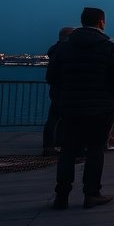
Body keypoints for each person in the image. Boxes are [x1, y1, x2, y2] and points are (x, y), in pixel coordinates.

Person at [47, 7, 114, 209]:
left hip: (69, 106)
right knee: (95, 150)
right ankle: (92, 194)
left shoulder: (64, 48)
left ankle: (61, 196)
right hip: (100, 108)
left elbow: (52, 78)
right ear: (101, 22)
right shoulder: (109, 48)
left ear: (82, 22)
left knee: (68, 151)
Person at [42, 25, 73, 156]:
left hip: (55, 88)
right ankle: (53, 144)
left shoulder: (54, 49)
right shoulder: (67, 50)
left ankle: (54, 143)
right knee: (59, 118)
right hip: (64, 88)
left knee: (55, 117)